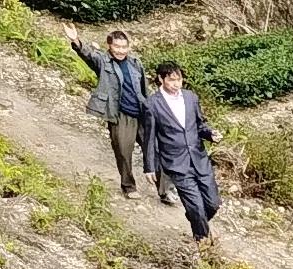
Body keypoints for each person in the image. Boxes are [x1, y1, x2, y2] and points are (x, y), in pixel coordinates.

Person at [63, 25, 153, 202]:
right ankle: (129, 186)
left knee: (154, 149)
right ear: (109, 46)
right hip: (120, 114)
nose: (121, 50)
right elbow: (88, 55)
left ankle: (164, 189)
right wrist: (75, 40)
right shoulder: (103, 62)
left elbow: (144, 89)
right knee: (123, 151)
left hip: (141, 112)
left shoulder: (135, 63)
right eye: (117, 46)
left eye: (124, 47)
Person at [140, 63, 221, 247]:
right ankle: (202, 242)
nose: (176, 84)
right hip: (176, 162)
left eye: (179, 79)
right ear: (161, 79)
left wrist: (210, 134)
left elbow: (200, 125)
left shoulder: (190, 97)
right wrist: (149, 167)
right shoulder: (152, 104)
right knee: (195, 205)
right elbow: (149, 138)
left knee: (213, 203)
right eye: (172, 80)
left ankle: (196, 218)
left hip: (199, 158)